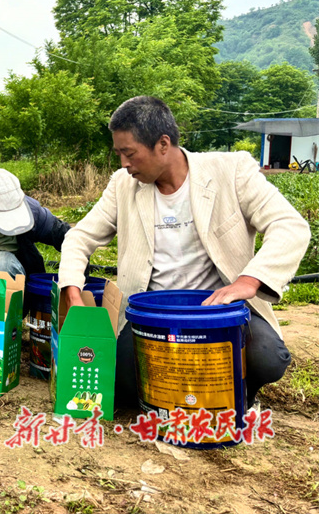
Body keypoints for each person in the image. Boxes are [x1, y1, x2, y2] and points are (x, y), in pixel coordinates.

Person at [58, 96, 310, 408]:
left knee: (266, 357)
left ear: (163, 144)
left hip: (218, 313)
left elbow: (289, 226)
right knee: (121, 382)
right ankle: (190, 393)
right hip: (152, 316)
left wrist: (249, 280)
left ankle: (238, 397)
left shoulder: (232, 171)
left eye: (129, 153)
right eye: (119, 153)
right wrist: (71, 291)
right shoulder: (123, 186)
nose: (123, 163)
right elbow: (79, 237)